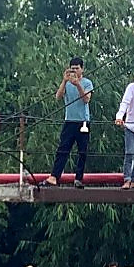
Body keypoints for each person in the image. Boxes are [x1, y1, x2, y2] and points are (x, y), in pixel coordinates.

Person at [44, 56, 93, 188]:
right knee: (63, 149)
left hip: (83, 121)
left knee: (82, 151)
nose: (75, 71)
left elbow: (86, 99)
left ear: (82, 69)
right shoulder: (66, 83)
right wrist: (64, 81)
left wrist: (78, 85)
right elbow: (58, 97)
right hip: (69, 120)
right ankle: (54, 176)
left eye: (77, 68)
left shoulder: (87, 83)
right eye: (72, 69)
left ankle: (78, 178)